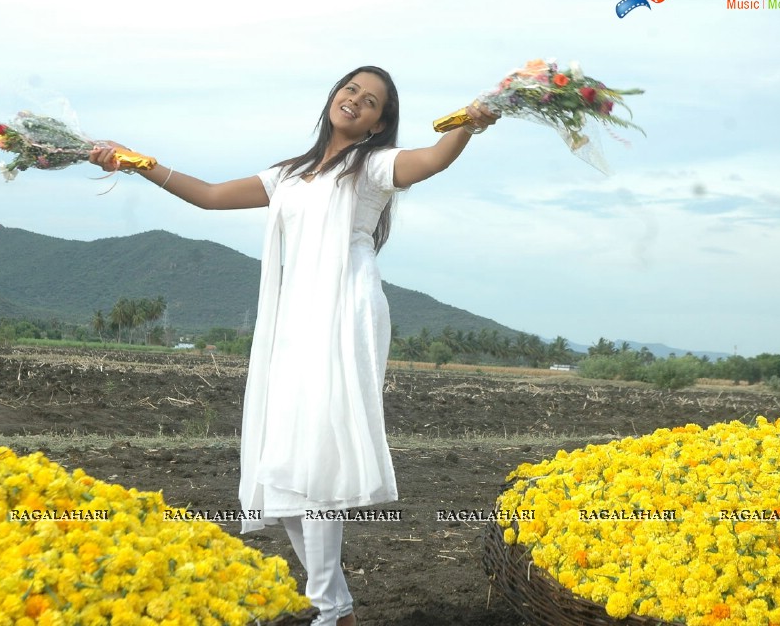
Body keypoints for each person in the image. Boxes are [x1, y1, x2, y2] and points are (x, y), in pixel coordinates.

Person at [90, 66, 499, 626]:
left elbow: (431, 159)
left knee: (317, 461)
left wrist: (468, 126)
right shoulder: (289, 174)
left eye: (371, 101)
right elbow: (209, 196)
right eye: (350, 89)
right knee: (280, 464)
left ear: (380, 123)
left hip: (343, 314)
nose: (356, 100)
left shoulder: (375, 166)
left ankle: (330, 611)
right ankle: (336, 607)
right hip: (292, 320)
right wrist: (137, 162)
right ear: (334, 96)